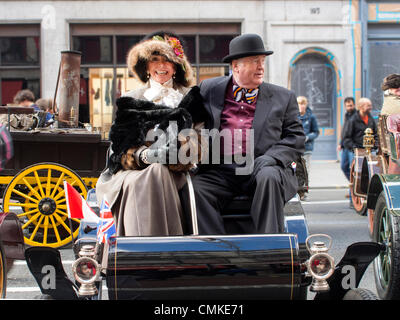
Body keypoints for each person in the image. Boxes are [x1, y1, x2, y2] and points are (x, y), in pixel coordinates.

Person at [185, 33, 305, 235]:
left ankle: (269, 249)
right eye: (254, 61)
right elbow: (188, 117)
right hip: (221, 169)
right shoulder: (209, 88)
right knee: (196, 188)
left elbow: (296, 137)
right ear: (235, 66)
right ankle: (216, 254)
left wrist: (271, 158)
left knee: (270, 177)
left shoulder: (283, 97)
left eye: (262, 61)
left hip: (261, 166)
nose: (261, 67)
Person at [96, 31, 205, 237]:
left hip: (176, 171)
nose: (161, 66)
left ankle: (153, 249)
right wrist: (142, 156)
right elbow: (119, 146)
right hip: (133, 170)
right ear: (146, 66)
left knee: (157, 172)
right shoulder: (130, 98)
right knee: (143, 178)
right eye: (155, 60)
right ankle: (135, 251)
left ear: (176, 67)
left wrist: (174, 154)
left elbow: (199, 139)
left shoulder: (191, 97)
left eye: (168, 61)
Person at [297, 96, 319, 186]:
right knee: (296, 170)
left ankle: (304, 190)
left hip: (307, 147)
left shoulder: (311, 117)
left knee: (306, 170)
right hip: (295, 148)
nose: (301, 106)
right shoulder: (293, 116)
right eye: (299, 104)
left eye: (303, 104)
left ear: (306, 105)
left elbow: (316, 132)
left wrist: (308, 137)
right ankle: (296, 190)